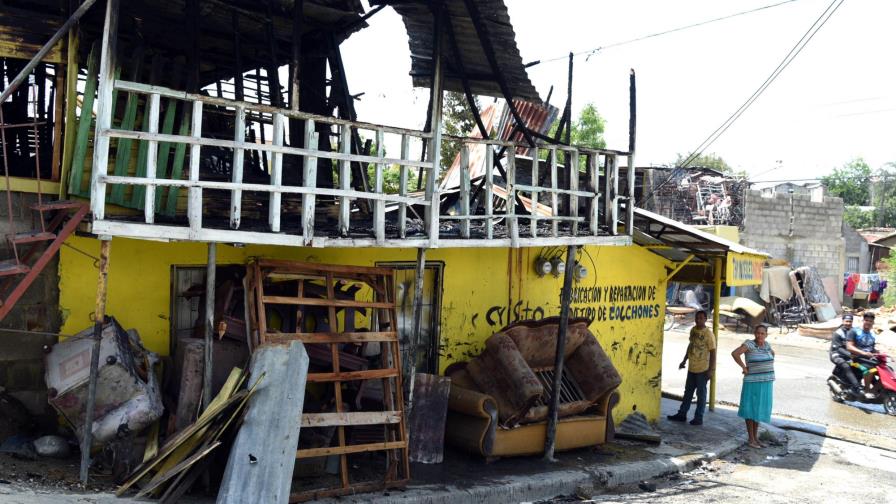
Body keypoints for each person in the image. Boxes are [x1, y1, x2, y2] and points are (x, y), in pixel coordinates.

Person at [667, 310, 716, 426]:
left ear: (705, 319)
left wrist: (711, 370)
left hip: (703, 369)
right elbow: (691, 345)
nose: (698, 320)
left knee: (701, 394)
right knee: (688, 392)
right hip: (692, 367)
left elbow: (713, 352)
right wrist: (684, 360)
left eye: (701, 318)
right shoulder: (693, 330)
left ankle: (699, 417)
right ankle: (682, 414)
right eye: (697, 318)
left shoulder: (709, 334)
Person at [732, 324, 775, 449]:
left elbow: (773, 355)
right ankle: (751, 439)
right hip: (752, 382)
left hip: (766, 382)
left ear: (766, 335)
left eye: (762, 333)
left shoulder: (767, 345)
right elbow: (735, 354)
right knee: (750, 409)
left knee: (759, 410)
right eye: (758, 333)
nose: (760, 335)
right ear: (754, 333)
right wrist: (744, 367)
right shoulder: (749, 344)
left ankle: (755, 438)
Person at [829, 314, 862, 397]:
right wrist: (849, 355)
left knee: (862, 366)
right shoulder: (838, 333)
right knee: (846, 366)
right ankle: (856, 387)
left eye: (850, 321)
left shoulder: (854, 331)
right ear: (843, 321)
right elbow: (838, 348)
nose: (848, 323)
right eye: (846, 321)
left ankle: (859, 383)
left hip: (849, 355)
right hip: (836, 354)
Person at [846, 312, 878, 398]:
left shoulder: (873, 334)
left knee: (884, 369)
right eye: (866, 320)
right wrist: (864, 353)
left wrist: (879, 352)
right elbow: (849, 347)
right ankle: (866, 390)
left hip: (868, 359)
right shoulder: (854, 331)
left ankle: (875, 390)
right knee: (868, 369)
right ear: (863, 320)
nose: (868, 322)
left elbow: (872, 348)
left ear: (873, 323)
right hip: (855, 360)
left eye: (870, 321)